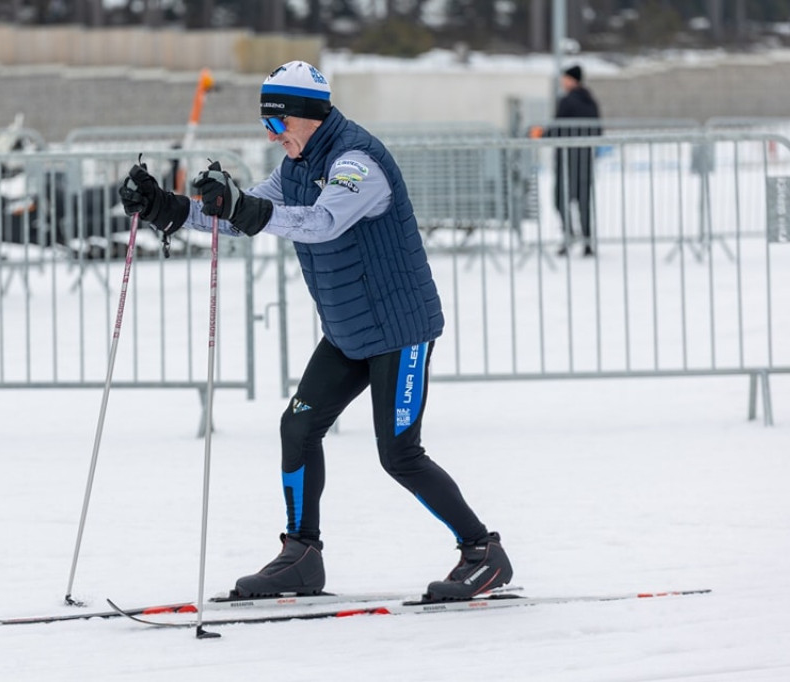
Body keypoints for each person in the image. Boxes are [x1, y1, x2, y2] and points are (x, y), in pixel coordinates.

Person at [118, 60, 513, 601]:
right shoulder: (296, 165)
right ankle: (302, 555)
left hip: (399, 330)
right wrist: (170, 207)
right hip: (350, 331)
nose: (271, 135)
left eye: (277, 124)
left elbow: (324, 222)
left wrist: (250, 210)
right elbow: (243, 213)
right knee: (298, 429)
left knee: (400, 455)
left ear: (304, 116)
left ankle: (483, 551)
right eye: (266, 125)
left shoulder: (357, 162)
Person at [548, 64, 602, 257]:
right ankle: (587, 241)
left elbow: (557, 129)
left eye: (565, 78)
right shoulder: (590, 100)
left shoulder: (567, 101)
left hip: (567, 158)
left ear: (572, 80)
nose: (563, 82)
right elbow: (598, 129)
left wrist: (541, 134)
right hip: (585, 157)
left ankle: (570, 235)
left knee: (560, 198)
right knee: (583, 201)